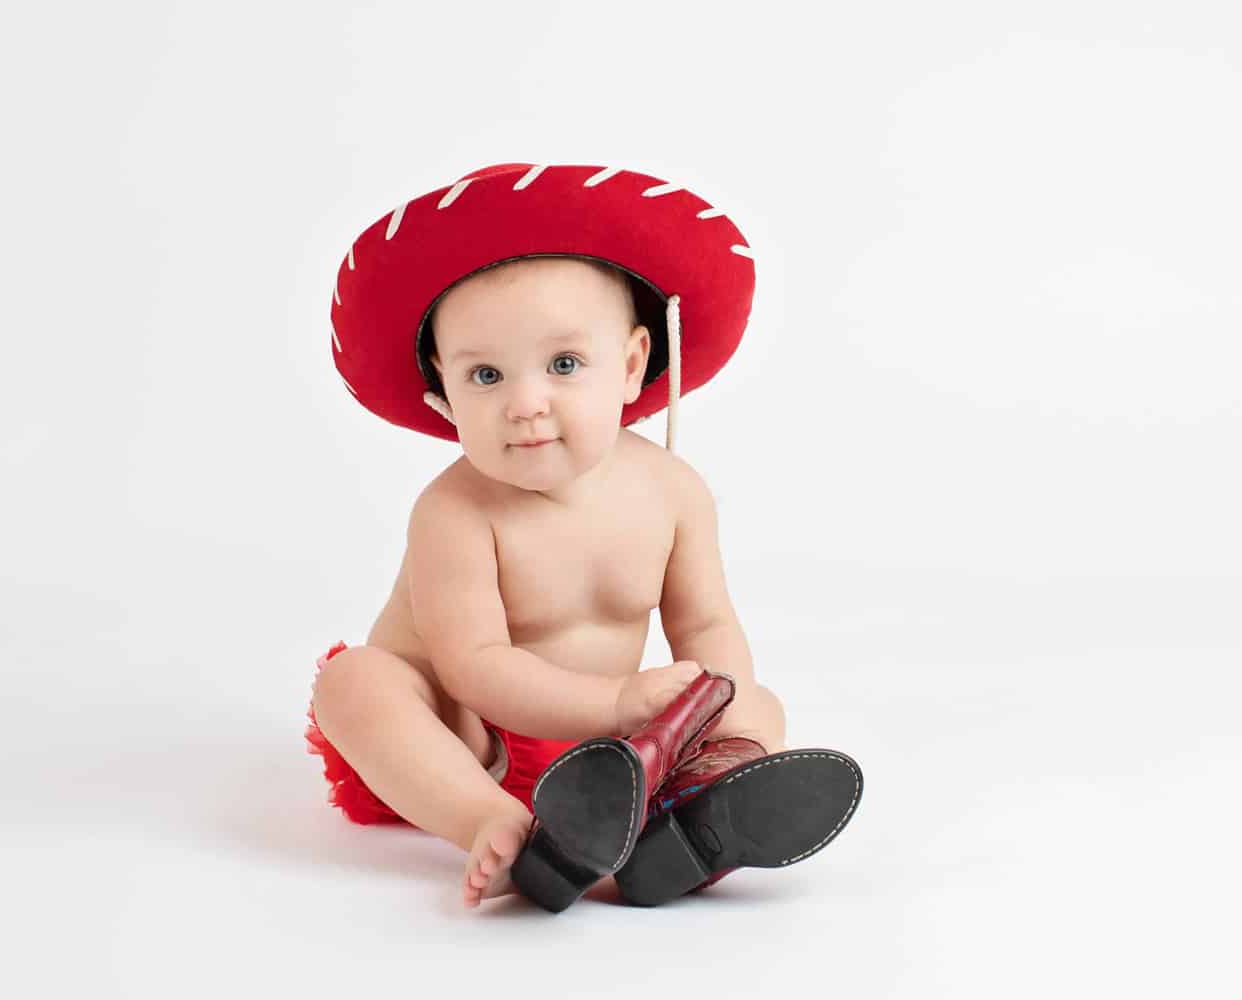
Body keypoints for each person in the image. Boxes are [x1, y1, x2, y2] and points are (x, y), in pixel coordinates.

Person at [305, 163, 860, 911]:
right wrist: (616, 703)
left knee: (760, 704)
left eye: (564, 365)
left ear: (631, 366)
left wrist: (716, 709)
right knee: (357, 683)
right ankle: (493, 825)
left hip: (615, 763)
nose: (525, 404)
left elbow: (704, 621)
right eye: (486, 376)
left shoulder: (671, 489)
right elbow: (474, 666)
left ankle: (692, 812)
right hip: (473, 744)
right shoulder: (455, 512)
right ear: (442, 388)